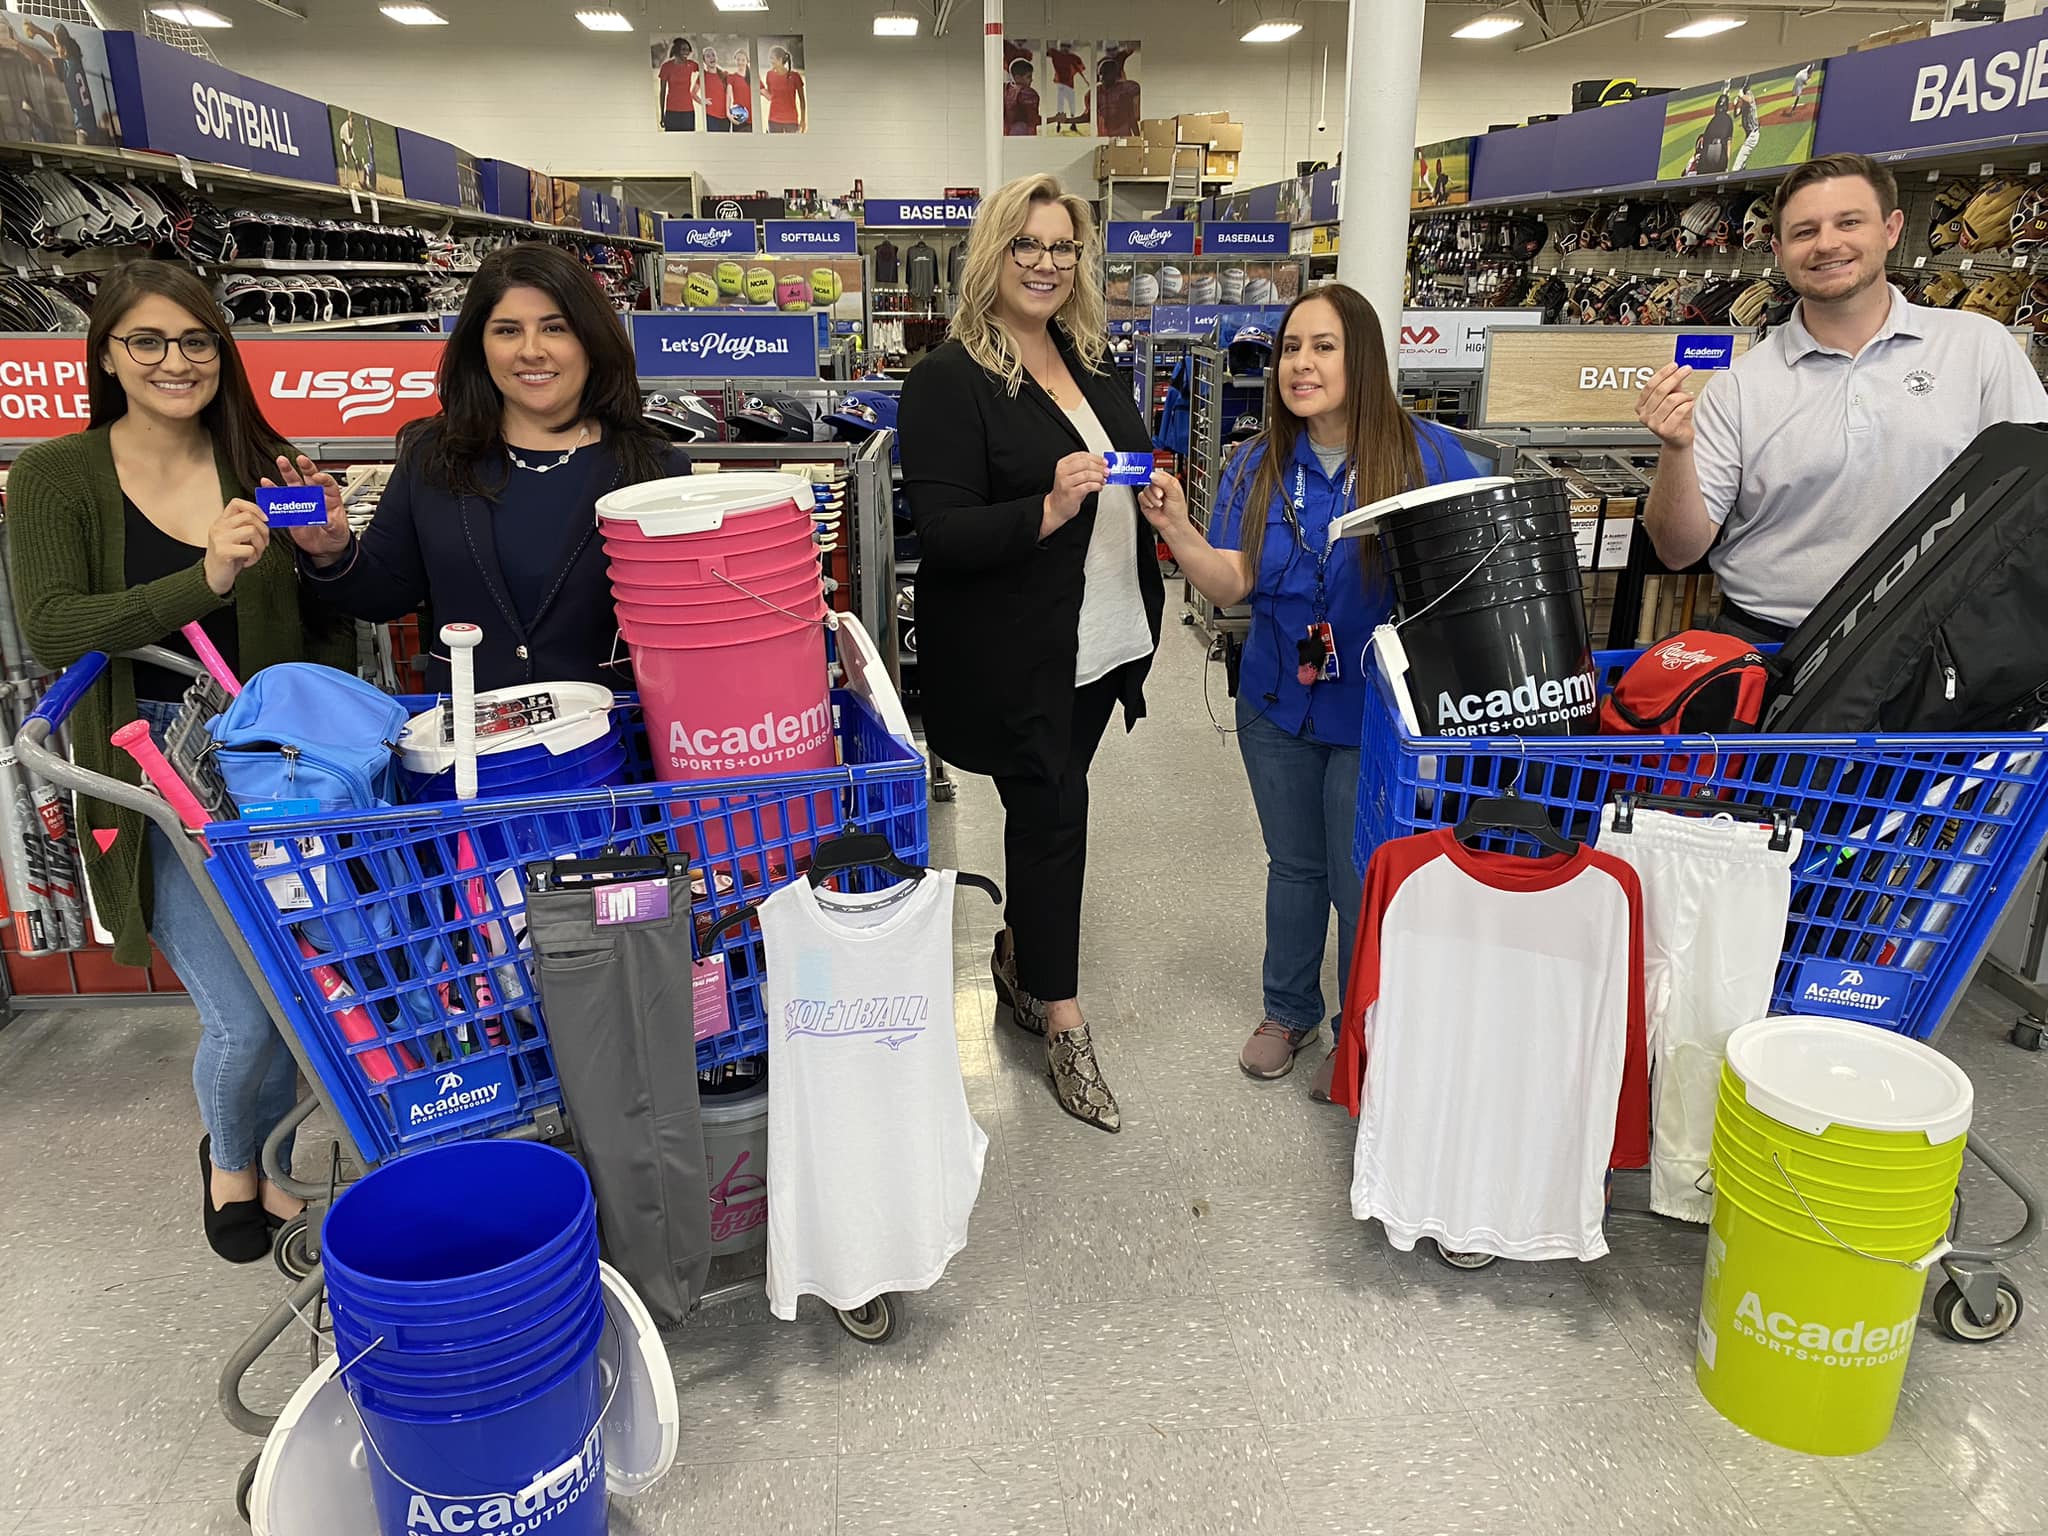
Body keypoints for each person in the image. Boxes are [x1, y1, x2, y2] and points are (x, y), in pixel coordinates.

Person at [6, 261, 356, 1262]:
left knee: (298, 989)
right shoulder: (56, 477)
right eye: (147, 342)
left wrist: (329, 554)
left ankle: (276, 1174)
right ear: (107, 356)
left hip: (273, 769)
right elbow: (54, 622)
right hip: (150, 773)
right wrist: (202, 577)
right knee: (243, 1014)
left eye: (196, 341)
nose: (175, 362)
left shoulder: (265, 463)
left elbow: (322, 638)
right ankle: (231, 1162)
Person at [1137, 284, 1479, 1090]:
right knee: (1294, 866)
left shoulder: (1427, 456)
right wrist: (1179, 530)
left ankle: (1362, 1026)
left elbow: (1467, 585)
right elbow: (1232, 584)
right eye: (1291, 347)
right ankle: (1287, 1009)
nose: (1300, 364)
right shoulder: (1257, 463)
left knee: (1361, 870)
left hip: (1378, 714)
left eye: (1323, 346)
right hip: (1277, 702)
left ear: (1361, 356)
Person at [897, 173, 1165, 1133]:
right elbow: (944, 530)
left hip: (1098, 643)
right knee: (1054, 816)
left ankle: (1020, 956)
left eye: (1064, 247)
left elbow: (1125, 468)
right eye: (1027, 244)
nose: (1047, 263)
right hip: (1016, 655)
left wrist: (1155, 504)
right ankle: (1060, 1014)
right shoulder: (945, 380)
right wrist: (1045, 509)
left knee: (1050, 809)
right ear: (992, 253)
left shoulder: (1089, 362)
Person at [1636, 152, 2048, 643]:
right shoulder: (1738, 385)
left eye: (1849, 222)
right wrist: (1675, 449)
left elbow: (2031, 506)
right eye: (1804, 231)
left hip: (1939, 643)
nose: (1827, 244)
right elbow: (1678, 551)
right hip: (1770, 647)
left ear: (1891, 229)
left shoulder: (1980, 347)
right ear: (1778, 247)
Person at [290, 243, 689, 693]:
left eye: (555, 328)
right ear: (479, 346)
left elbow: (688, 626)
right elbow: (385, 594)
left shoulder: (655, 468)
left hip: (611, 743)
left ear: (591, 342)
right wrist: (332, 552)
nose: (531, 350)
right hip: (471, 743)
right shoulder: (432, 455)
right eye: (506, 331)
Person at [658, 37, 700, 132]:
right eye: (683, 49)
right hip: (672, 111)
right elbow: (662, 92)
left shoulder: (691, 65)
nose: (687, 52)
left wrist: (697, 86)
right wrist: (662, 114)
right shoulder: (666, 67)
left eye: (688, 50)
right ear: (676, 50)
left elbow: (705, 71)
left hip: (688, 111)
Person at [764, 45, 806, 133]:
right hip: (774, 120)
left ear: (780, 60)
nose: (770, 61)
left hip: (791, 120)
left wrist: (802, 120)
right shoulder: (769, 75)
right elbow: (770, 96)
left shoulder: (795, 76)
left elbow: (802, 100)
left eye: (772, 58)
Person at [1047, 41, 1086, 132]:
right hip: (1061, 85)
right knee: (1060, 105)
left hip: (1070, 85)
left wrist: (1084, 79)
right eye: (1063, 46)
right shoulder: (1056, 54)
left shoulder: (1072, 57)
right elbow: (1047, 51)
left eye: (1067, 46)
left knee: (1071, 105)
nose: (1065, 48)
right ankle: (1059, 124)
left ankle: (1073, 124)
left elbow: (1079, 68)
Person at [1004, 58, 1041, 137]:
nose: (1031, 80)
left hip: (1007, 133)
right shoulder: (1028, 94)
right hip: (1023, 134)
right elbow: (1034, 120)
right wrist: (1055, 119)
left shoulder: (1006, 88)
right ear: (1017, 78)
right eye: (1028, 77)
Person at [701, 46, 730, 132]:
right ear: (704, 60)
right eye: (708, 56)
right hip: (711, 116)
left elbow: (731, 93)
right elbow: (693, 93)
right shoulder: (703, 76)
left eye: (713, 55)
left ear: (717, 57)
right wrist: (702, 100)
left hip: (725, 116)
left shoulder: (725, 74)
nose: (711, 58)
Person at [725, 51, 754, 132]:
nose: (740, 62)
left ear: (747, 61)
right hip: (738, 116)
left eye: (743, 60)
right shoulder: (732, 77)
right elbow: (729, 96)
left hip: (753, 118)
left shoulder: (753, 77)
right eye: (738, 60)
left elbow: (763, 92)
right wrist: (728, 114)